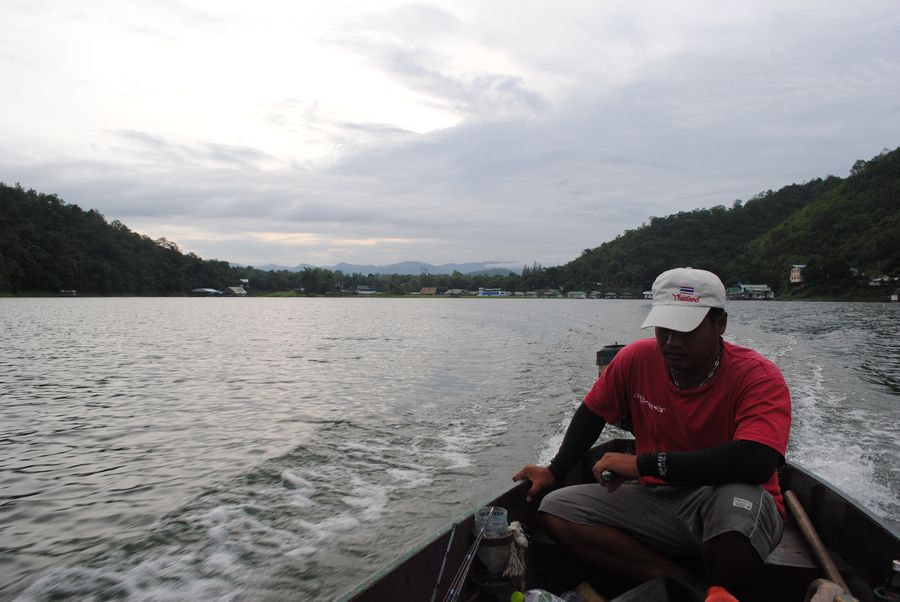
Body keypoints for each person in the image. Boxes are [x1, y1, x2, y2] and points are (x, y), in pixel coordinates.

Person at [513, 267, 791, 601]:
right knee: (556, 509)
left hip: (727, 498)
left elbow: (756, 461)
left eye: (686, 330)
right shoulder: (636, 359)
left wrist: (644, 465)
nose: (672, 342)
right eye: (664, 329)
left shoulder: (757, 376)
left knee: (735, 510)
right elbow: (592, 412)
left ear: (720, 325)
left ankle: (723, 590)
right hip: (659, 499)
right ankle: (683, 583)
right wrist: (555, 470)